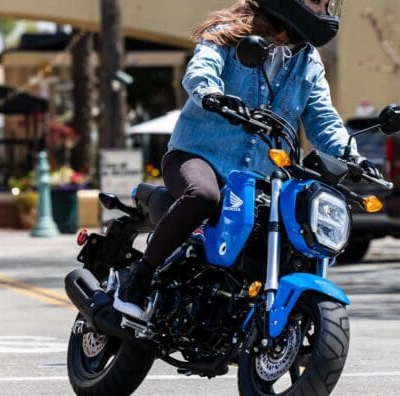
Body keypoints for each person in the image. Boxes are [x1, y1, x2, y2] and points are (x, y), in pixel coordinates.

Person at [120, 0, 382, 307]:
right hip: (199, 156)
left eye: (329, 6)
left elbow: (323, 119)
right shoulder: (228, 34)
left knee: (294, 224)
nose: (324, 13)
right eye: (317, 3)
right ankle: (142, 274)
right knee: (204, 196)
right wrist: (213, 94)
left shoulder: (308, 62)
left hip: (259, 178)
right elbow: (201, 70)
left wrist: (353, 156)